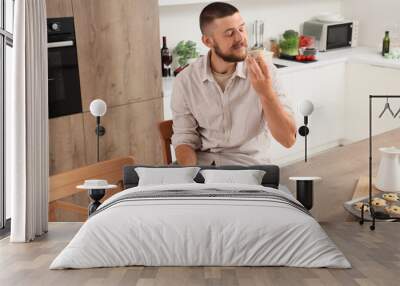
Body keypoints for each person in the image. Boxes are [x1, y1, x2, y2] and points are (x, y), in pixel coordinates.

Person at [171, 2, 297, 166]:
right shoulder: (186, 80)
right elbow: (184, 139)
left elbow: (288, 140)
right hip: (205, 167)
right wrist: (191, 178)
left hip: (250, 168)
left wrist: (265, 93)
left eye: (242, 29)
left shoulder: (265, 72)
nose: (240, 38)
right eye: (230, 33)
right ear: (208, 41)